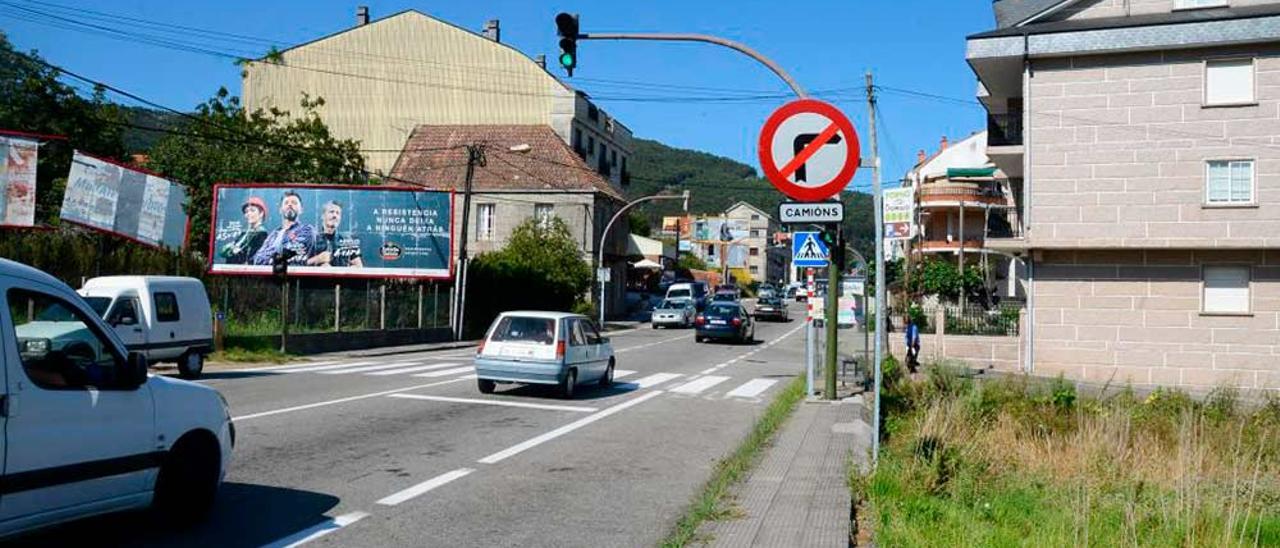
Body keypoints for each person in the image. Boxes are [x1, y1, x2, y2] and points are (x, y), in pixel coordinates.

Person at [252, 190, 316, 266]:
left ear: (301, 209)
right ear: (280, 210)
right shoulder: (274, 234)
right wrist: (276, 259)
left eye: (294, 203)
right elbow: (257, 259)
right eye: (286, 203)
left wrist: (270, 258)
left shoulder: (306, 230)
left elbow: (293, 255)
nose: (290, 205)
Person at [307, 200, 364, 267]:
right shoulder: (311, 239)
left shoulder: (347, 241)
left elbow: (359, 266)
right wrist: (317, 259)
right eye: (331, 212)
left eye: (338, 213)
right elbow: (296, 264)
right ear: (322, 216)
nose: (335, 215)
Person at [220, 196, 268, 264]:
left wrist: (235, 251)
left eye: (252, 210)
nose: (248, 214)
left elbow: (253, 257)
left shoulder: (262, 234)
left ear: (261, 213)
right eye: (246, 212)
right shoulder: (244, 233)